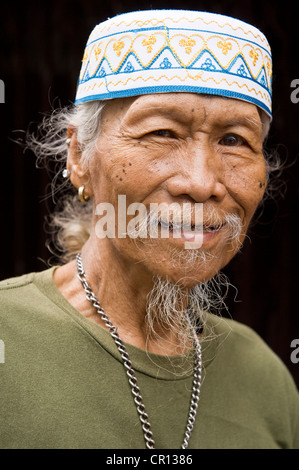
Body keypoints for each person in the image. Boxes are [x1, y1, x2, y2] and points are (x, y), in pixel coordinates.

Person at [0, 9, 298, 450]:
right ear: (79, 155)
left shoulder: (263, 376)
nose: (200, 183)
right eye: (161, 132)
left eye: (234, 140)